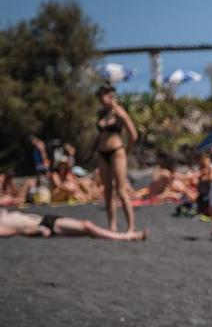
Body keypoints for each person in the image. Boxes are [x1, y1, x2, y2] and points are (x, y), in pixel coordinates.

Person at [93, 85, 138, 233]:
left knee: (121, 190)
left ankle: (130, 226)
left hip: (116, 152)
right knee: (107, 190)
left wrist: (127, 151)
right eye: (99, 98)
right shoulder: (101, 113)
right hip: (102, 152)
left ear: (110, 95)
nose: (101, 100)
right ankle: (112, 225)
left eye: (103, 97)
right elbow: (99, 135)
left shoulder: (119, 112)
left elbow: (133, 135)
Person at [0, 209, 146, 241]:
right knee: (88, 226)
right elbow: (18, 231)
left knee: (88, 230)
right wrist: (37, 230)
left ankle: (128, 236)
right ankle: (127, 236)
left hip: (45, 220)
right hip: (44, 223)